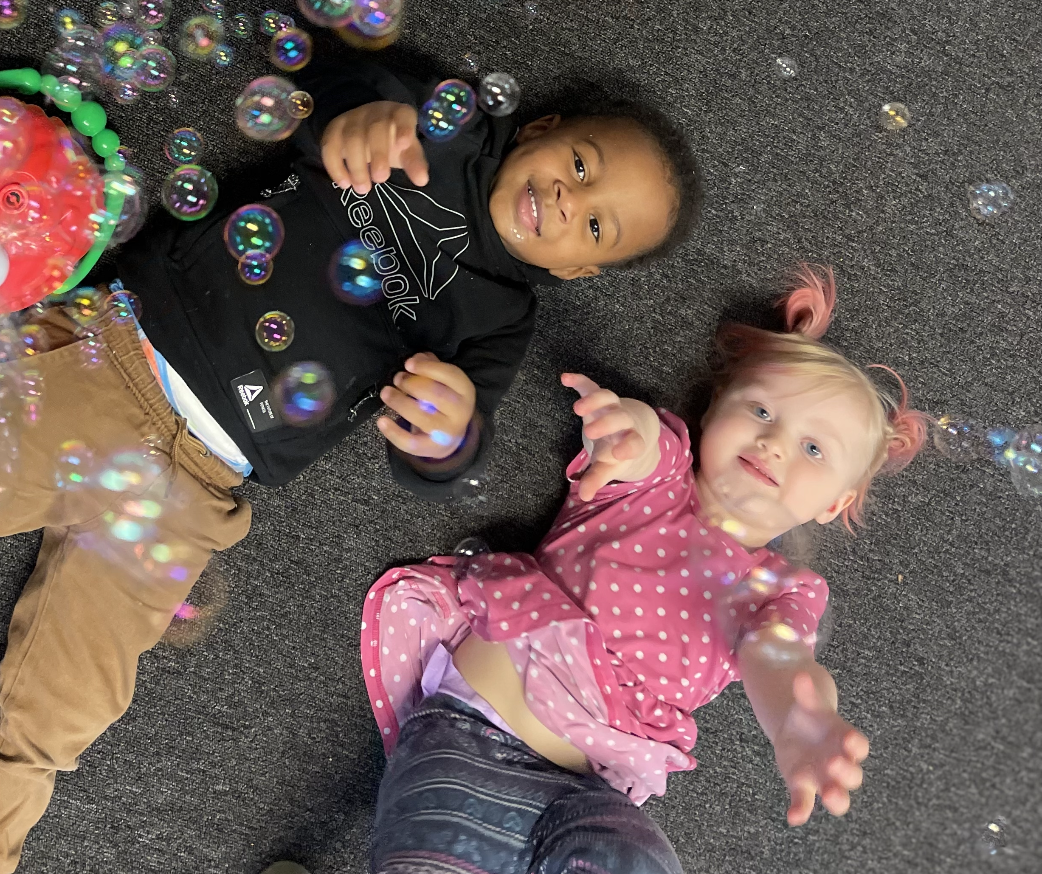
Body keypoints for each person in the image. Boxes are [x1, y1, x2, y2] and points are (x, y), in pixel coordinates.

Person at [0, 55, 697, 874]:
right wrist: (356, 111)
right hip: (111, 361)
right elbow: (315, 72)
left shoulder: (501, 318)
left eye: (597, 227)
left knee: (57, 716)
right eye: (582, 165)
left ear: (577, 271)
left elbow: (446, 457)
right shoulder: (435, 118)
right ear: (540, 127)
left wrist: (446, 435)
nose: (573, 200)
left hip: (201, 486)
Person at [358, 267, 930, 871]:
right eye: (760, 410)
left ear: (834, 504)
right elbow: (641, 440)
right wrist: (626, 431)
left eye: (815, 450)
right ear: (713, 412)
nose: (776, 444)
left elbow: (779, 654)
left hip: (591, 795)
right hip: (468, 739)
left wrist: (799, 718)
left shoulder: (785, 591)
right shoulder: (662, 474)